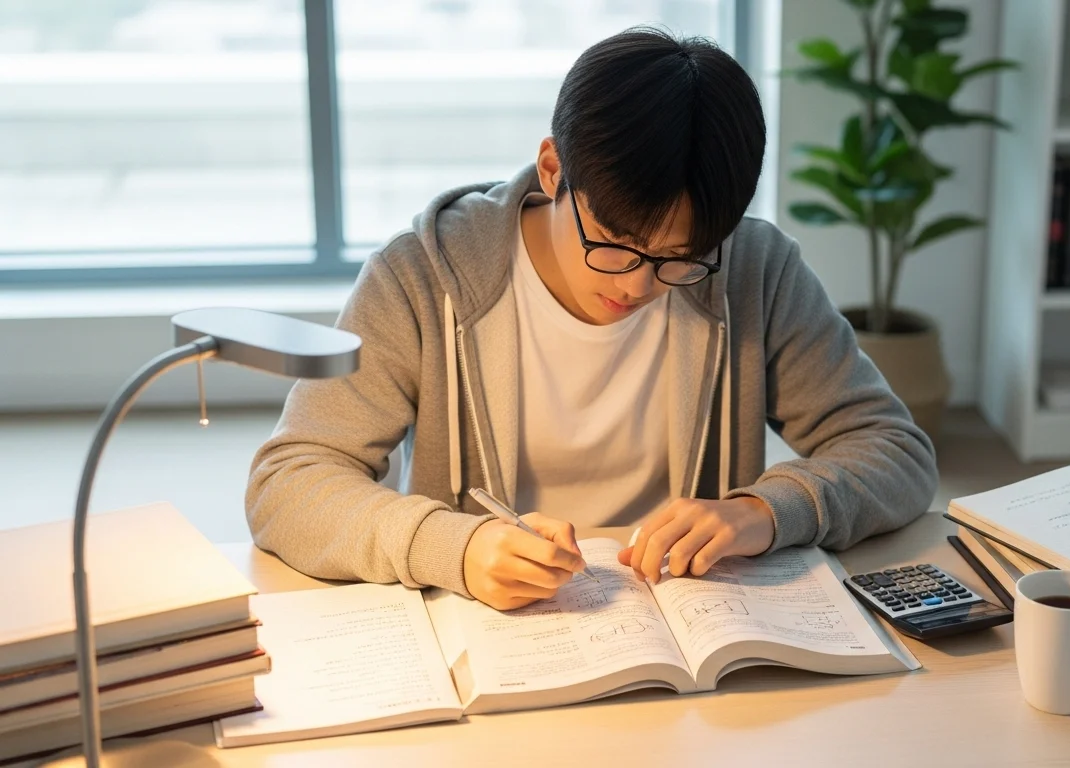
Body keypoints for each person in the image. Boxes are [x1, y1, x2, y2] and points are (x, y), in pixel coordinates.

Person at [246, 27, 937, 611]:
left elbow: (895, 453)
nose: (639, 284)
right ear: (553, 169)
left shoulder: (753, 269)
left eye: (679, 258)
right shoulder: (424, 275)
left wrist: (763, 511)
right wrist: (454, 545)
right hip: (488, 640)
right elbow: (290, 483)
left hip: (689, 632)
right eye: (614, 243)